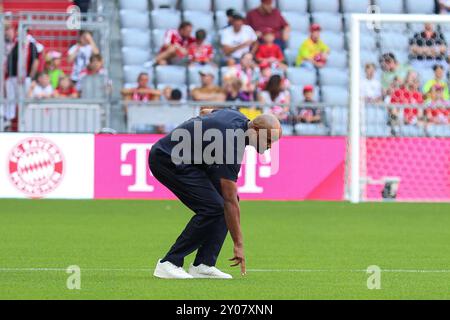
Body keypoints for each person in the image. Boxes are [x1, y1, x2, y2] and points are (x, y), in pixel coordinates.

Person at [149, 109, 282, 279]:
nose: (270, 146)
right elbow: (229, 200)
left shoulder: (238, 118)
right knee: (215, 207)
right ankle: (169, 263)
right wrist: (238, 244)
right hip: (167, 159)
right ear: (255, 130)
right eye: (268, 140)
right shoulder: (231, 144)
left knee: (223, 206)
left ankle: (203, 264)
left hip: (193, 159)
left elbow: (206, 111)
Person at [4, 23, 39, 128]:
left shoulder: (31, 44)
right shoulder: (15, 43)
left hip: (24, 78)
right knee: (10, 100)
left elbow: (35, 62)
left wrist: (31, 78)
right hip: (11, 77)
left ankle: (26, 122)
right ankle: (8, 122)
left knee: (25, 100)